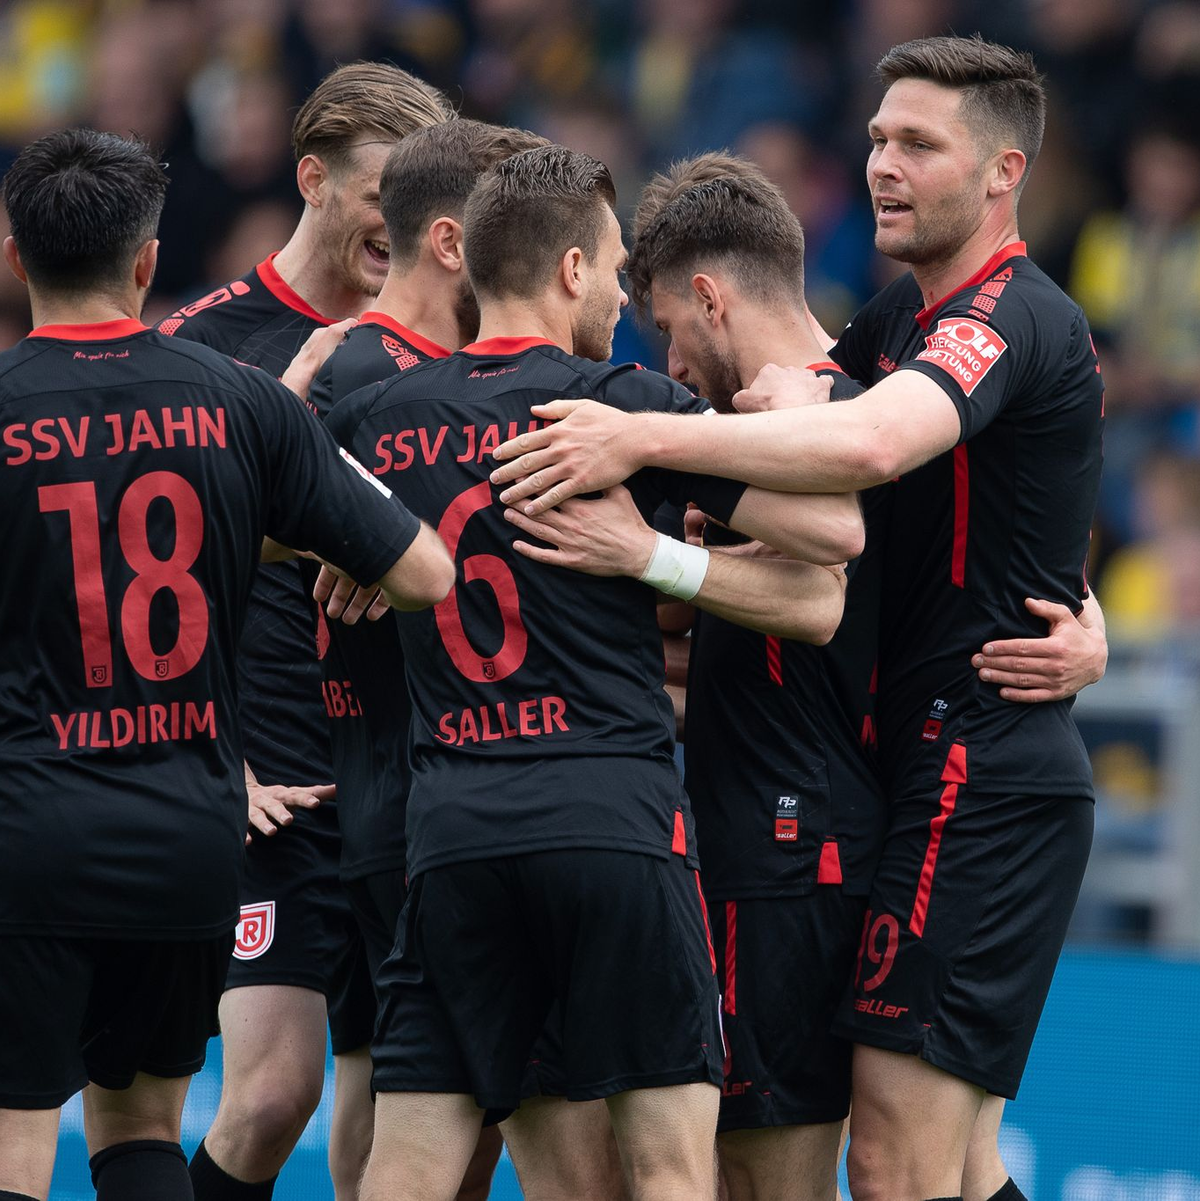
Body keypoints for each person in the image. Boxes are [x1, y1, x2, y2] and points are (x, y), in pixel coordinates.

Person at [490, 37, 1105, 1201]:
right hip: (925, 765)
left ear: (1004, 172)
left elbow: (869, 447)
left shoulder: (1012, 315)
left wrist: (644, 436)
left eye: (918, 143)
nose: (883, 164)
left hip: (986, 769)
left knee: (897, 1166)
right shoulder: (893, 323)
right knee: (953, 1167)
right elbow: (858, 415)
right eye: (877, 138)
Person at [322, 144, 862, 1201]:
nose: (622, 295)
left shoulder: (375, 418)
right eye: (614, 267)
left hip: (452, 838)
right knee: (667, 1168)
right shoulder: (617, 407)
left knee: (409, 1170)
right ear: (571, 269)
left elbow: (255, 521)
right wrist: (662, 525)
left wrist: (347, 540)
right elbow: (831, 538)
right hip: (613, 827)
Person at [0, 128, 452, 1201]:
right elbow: (426, 571)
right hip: (189, 835)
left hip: (30, 827)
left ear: (16, 257)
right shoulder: (244, 402)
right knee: (143, 1130)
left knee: (16, 1133)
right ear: (148, 258)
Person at [156, 62, 458, 1200]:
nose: (405, 224)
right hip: (272, 773)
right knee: (274, 1092)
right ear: (313, 180)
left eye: (424, 200)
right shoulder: (203, 348)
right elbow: (149, 579)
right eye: (383, 194)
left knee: (405, 1106)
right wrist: (213, 759)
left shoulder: (453, 333)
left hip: (413, 769)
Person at [303, 116, 548, 1194]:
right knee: (459, 1119)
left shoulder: (404, 372)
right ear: (453, 242)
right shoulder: (364, 372)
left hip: (412, 797)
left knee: (410, 1102)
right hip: (418, 796)